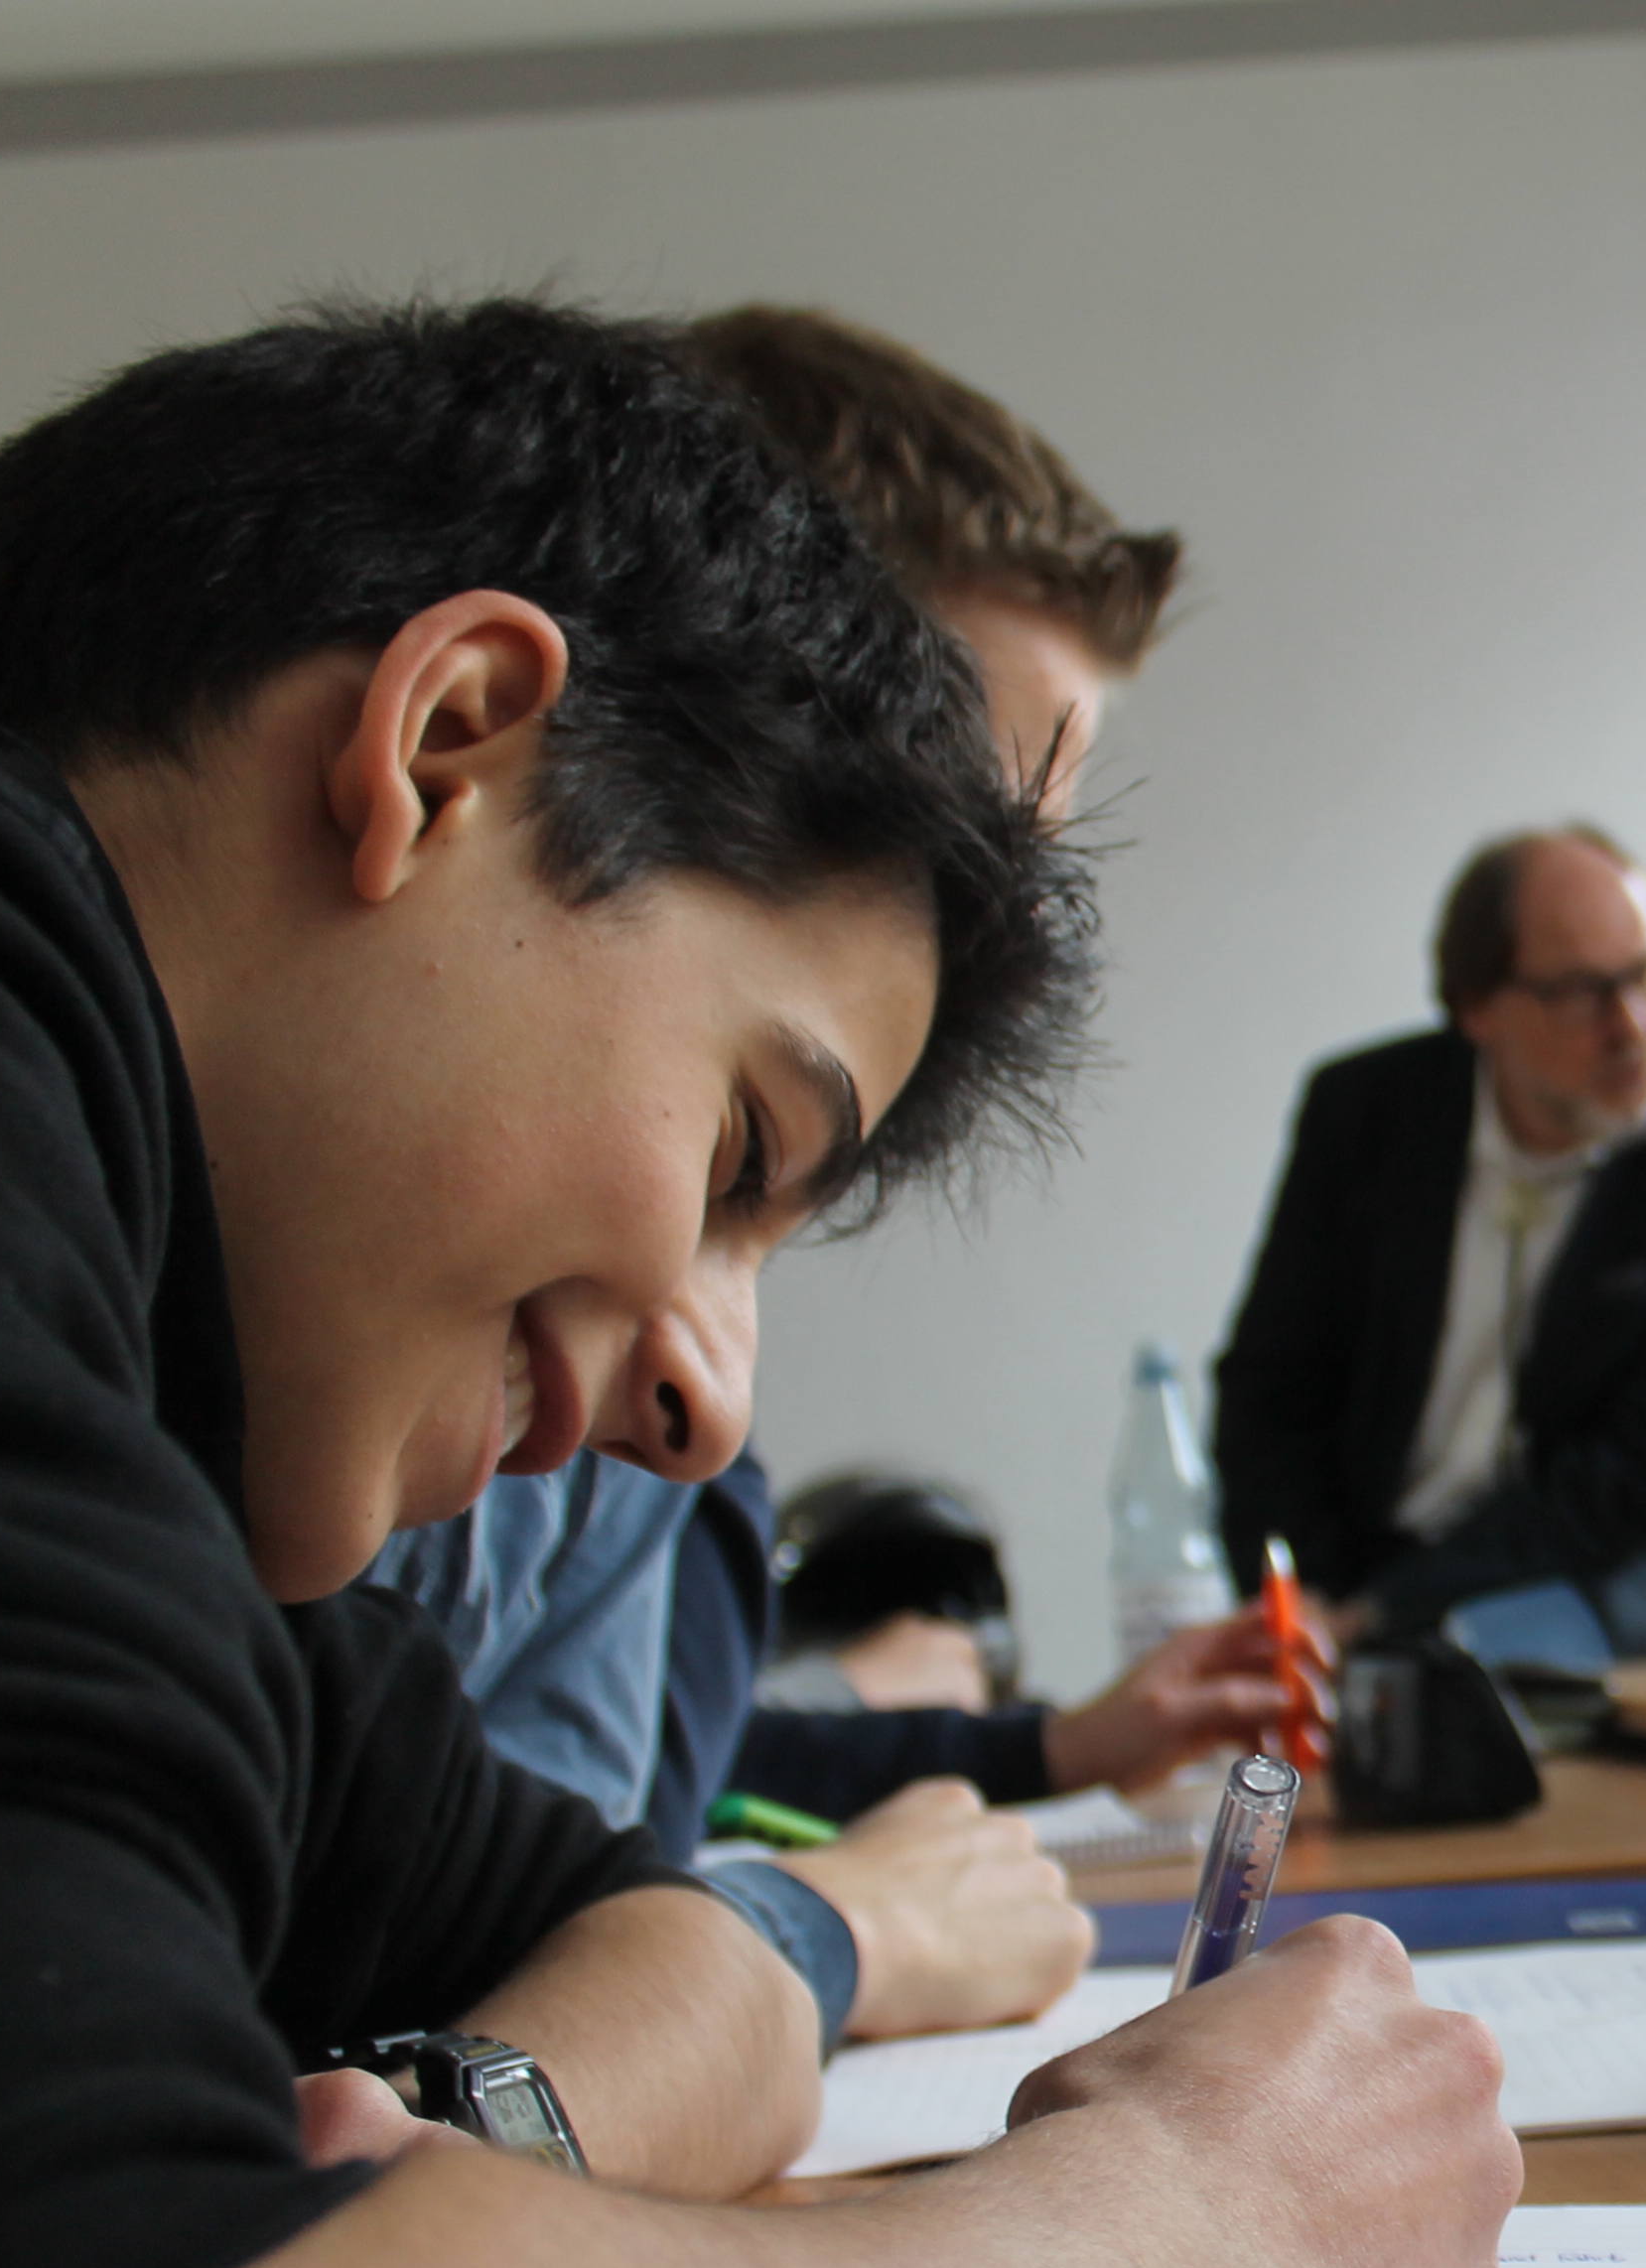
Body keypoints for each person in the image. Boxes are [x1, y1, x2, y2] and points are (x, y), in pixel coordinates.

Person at [0, 300, 1516, 2268]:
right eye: (737, 1153)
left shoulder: (124, 1392)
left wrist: (457, 2153)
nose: (709, 1398)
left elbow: (643, 1920)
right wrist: (1202, 2230)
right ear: (450, 743)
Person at [358, 305, 1290, 2047]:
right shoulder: (444, 1308)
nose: (1000, 959)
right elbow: (426, 2020)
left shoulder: (656, 1328)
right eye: (953, 834)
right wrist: (823, 1936)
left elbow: (601, 1830)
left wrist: (1047, 1746)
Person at [1213, 824, 1646, 1668]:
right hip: (1377, 1553)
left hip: (1620, 1561)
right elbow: (1272, 1388)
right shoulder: (1364, 1113)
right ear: (1478, 1008)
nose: (1634, 1025)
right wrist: (1296, 1593)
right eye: (1583, 992)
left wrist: (1383, 1614)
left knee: (1475, 1681)